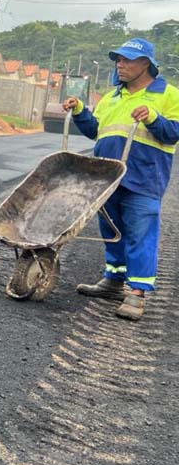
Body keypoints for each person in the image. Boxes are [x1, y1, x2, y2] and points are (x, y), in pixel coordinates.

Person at [62, 37, 179, 320]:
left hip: (144, 177)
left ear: (146, 64)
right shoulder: (112, 97)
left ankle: (137, 293)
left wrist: (153, 117)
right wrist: (80, 111)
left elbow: (173, 133)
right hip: (107, 175)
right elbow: (96, 131)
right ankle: (114, 280)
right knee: (111, 228)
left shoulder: (168, 94)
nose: (120, 65)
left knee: (141, 232)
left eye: (127, 60)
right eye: (118, 59)